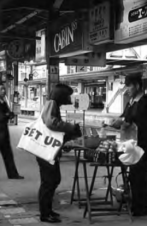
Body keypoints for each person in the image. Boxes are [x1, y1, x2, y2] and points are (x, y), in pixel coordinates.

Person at [111, 73, 147, 217]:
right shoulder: (131, 101)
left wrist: (124, 121)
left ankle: (141, 209)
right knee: (134, 176)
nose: (127, 89)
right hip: (132, 145)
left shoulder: (145, 101)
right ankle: (135, 205)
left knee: (140, 176)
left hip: (142, 146)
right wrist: (115, 122)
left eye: (129, 86)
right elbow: (125, 116)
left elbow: (137, 119)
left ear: (136, 85)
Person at [37, 84, 81, 223]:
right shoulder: (52, 103)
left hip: (50, 150)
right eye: (68, 95)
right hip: (45, 151)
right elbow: (51, 123)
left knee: (53, 180)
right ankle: (45, 214)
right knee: (49, 181)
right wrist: (71, 127)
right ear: (61, 95)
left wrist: (68, 138)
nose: (69, 98)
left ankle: (48, 210)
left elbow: (55, 128)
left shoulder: (53, 104)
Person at [0, 84, 24, 180]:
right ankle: (13, 174)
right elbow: (2, 117)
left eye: (4, 89)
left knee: (8, 155)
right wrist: (7, 115)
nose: (3, 91)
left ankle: (13, 174)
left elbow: (8, 114)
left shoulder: (3, 102)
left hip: (4, 133)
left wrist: (9, 114)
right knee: (7, 154)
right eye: (1, 89)